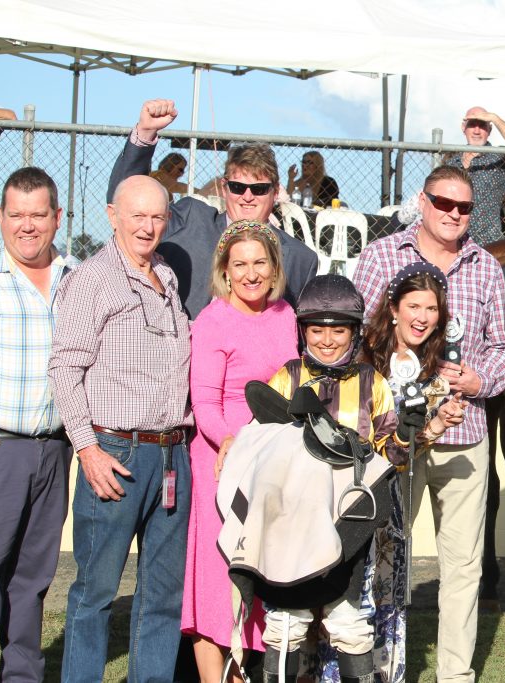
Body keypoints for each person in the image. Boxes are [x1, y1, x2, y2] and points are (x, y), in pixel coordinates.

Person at [353, 165, 505, 682]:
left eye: (464, 207)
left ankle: (455, 674)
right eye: (444, 203)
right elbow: (358, 339)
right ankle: (384, 665)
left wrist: (477, 379)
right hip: (396, 436)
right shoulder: (383, 255)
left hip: (465, 433)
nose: (453, 214)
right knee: (386, 558)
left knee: (464, 566)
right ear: (422, 202)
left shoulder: (486, 267)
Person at [258, 274, 462, 683]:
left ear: (354, 332)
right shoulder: (286, 377)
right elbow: (264, 450)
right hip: (293, 527)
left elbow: (392, 456)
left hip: (351, 528)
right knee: (286, 621)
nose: (327, 340)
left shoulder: (373, 382)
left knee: (350, 621)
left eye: (339, 331)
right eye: (317, 330)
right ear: (303, 330)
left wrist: (408, 431)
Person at [49, 175, 193, 682]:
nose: (148, 226)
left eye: (157, 216)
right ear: (113, 215)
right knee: (95, 592)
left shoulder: (167, 277)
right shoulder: (92, 280)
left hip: (173, 453)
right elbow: (65, 369)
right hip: (116, 452)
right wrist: (87, 449)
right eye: (137, 215)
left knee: (162, 594)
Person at [182, 220, 298, 683]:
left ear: (274, 270)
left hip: (273, 462)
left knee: (258, 575)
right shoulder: (212, 321)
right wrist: (235, 442)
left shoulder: (286, 315)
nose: (250, 274)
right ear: (225, 272)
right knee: (219, 579)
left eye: (259, 263)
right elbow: (205, 402)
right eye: (240, 264)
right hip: (223, 459)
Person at [107, 98, 318, 319]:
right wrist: (145, 134)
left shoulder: (299, 260)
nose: (247, 197)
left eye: (259, 189)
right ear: (224, 188)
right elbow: (126, 199)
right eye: (238, 187)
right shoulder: (190, 221)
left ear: (275, 193)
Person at [358, 261, 467, 683]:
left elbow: (408, 446)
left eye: (432, 309)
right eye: (414, 306)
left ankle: (384, 672)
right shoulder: (362, 353)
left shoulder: (434, 368)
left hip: (395, 487)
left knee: (389, 580)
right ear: (393, 308)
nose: (422, 317)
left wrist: (438, 423)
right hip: (353, 485)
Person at [0, 167, 76, 682]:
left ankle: (21, 674)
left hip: (56, 449)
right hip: (1, 447)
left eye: (38, 214)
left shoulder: (77, 278)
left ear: (57, 218)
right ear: (1, 219)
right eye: (16, 215)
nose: (27, 226)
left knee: (32, 575)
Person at [446, 106, 505, 246]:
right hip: (452, 243)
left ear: (489, 130)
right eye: (472, 125)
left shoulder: (499, 159)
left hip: (488, 245)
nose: (477, 131)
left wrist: (494, 118)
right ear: (463, 127)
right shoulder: (451, 163)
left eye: (482, 125)